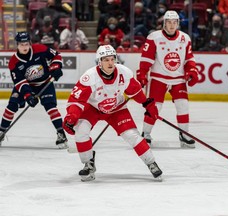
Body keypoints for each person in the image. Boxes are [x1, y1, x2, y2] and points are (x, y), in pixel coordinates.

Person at [62, 45, 163, 182]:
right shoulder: (89, 77)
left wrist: (147, 103)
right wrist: (71, 117)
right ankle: (88, 163)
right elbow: (76, 100)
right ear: (99, 62)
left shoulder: (124, 73)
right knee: (81, 130)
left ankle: (151, 163)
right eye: (106, 60)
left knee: (132, 135)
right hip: (93, 108)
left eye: (112, 59)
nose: (110, 63)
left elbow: (135, 91)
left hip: (117, 108)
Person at [136, 10, 199, 148]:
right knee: (154, 107)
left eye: (174, 22)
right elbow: (146, 59)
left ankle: (184, 134)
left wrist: (192, 71)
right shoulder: (154, 37)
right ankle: (145, 133)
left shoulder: (185, 38)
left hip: (178, 79)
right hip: (159, 78)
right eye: (169, 22)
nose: (171, 25)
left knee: (183, 105)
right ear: (164, 23)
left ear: (178, 23)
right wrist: (142, 74)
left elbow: (189, 58)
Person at [0, 32, 68, 149]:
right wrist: (28, 95)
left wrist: (56, 67)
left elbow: (56, 55)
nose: (24, 47)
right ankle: (1, 131)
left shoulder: (40, 49)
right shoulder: (14, 62)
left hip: (44, 83)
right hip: (27, 85)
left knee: (51, 107)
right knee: (12, 106)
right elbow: (20, 82)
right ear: (17, 45)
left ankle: (61, 133)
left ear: (30, 43)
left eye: (26, 44)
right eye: (21, 44)